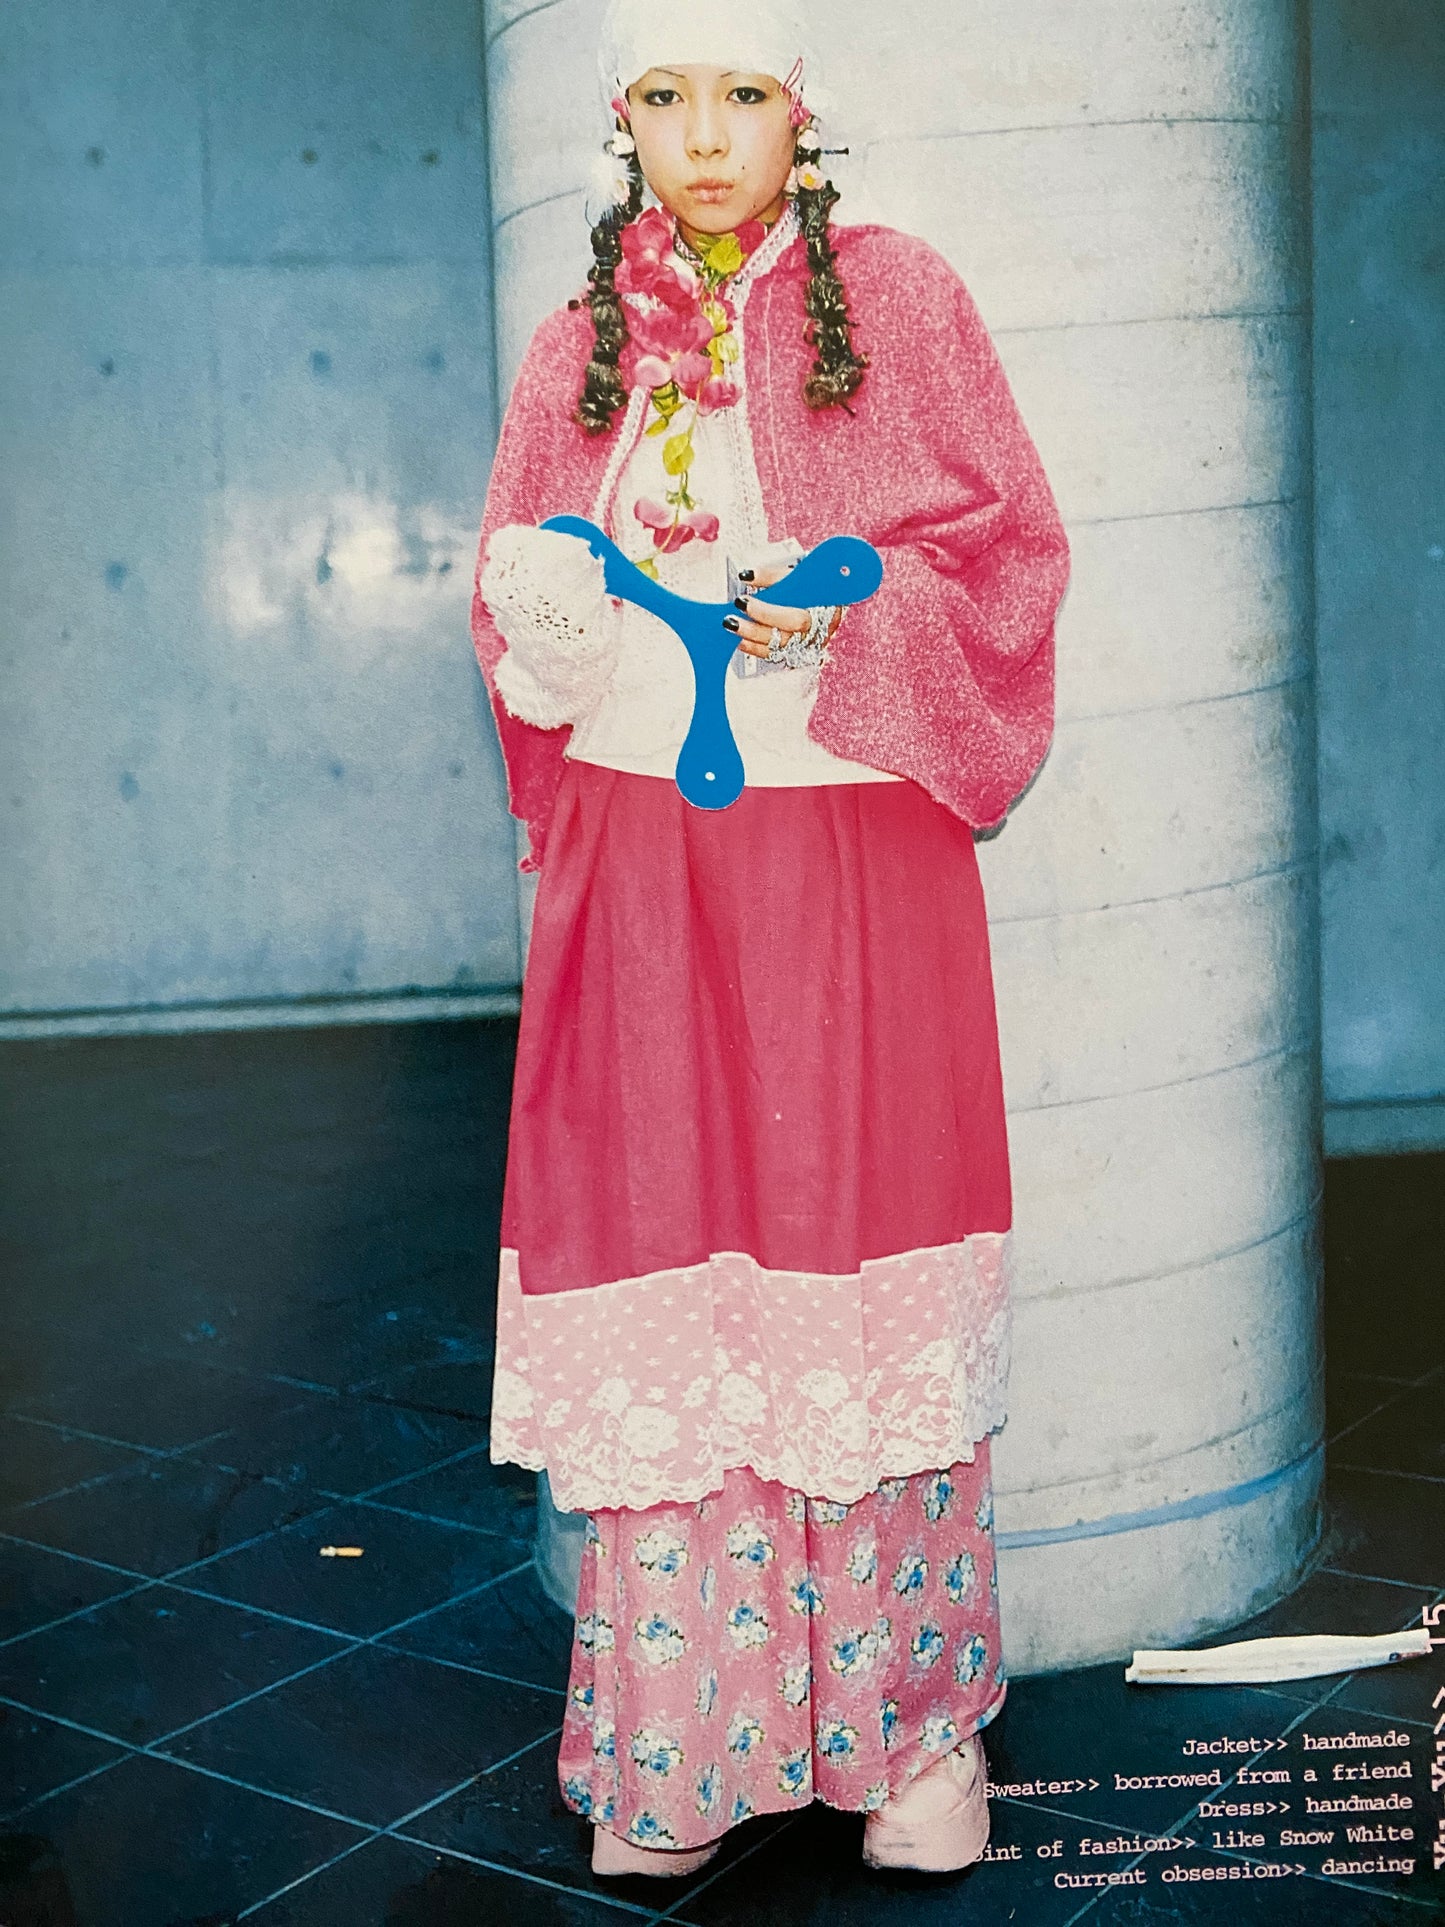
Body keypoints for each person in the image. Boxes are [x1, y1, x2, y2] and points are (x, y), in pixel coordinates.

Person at [468, 0, 1070, 1880]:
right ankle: (683, 1749)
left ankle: (909, 1747)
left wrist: (855, 602)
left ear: (804, 110)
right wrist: (548, 624)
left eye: (742, 93)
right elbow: (518, 625)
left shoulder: (900, 300)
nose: (707, 136)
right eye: (665, 97)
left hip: (858, 860)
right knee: (668, 1261)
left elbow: (1007, 557)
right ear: (622, 121)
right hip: (643, 863)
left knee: (856, 1257)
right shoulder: (572, 347)